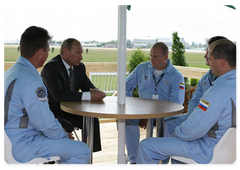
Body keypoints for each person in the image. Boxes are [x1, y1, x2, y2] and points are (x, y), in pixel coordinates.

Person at [136, 39, 237, 165]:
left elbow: (193, 130)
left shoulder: (216, 92)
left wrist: (176, 133)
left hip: (207, 150)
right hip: (232, 150)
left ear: (221, 63)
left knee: (146, 146)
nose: (208, 64)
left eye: (210, 59)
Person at [2, 26, 90, 165]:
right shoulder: (32, 80)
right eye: (49, 50)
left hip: (6, 142)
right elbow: (43, 121)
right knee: (82, 150)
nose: (49, 55)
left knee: (66, 146)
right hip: (22, 145)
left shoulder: (8, 74)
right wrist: (62, 135)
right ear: (41, 53)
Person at [162, 36, 227, 165]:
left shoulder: (227, 82)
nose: (204, 56)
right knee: (169, 121)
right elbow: (194, 100)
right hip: (196, 116)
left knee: (149, 145)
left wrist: (195, 122)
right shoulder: (206, 77)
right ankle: (167, 161)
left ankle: (182, 154)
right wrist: (192, 117)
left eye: (207, 52)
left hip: (212, 125)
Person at [41, 38, 106, 152]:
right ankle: (50, 161)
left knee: (92, 121)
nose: (81, 57)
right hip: (53, 112)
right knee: (67, 126)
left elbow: (88, 87)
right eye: (78, 53)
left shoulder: (80, 67)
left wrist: (97, 92)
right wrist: (90, 96)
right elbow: (59, 95)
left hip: (71, 111)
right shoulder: (51, 68)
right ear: (65, 52)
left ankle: (88, 154)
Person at [125, 42, 185, 165]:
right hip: (141, 111)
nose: (152, 59)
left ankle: (161, 163)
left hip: (165, 115)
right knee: (126, 121)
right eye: (151, 55)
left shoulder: (176, 76)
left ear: (165, 57)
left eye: (155, 56)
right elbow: (125, 86)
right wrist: (132, 107)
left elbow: (176, 104)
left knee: (169, 124)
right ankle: (134, 161)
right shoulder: (141, 68)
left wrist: (150, 116)